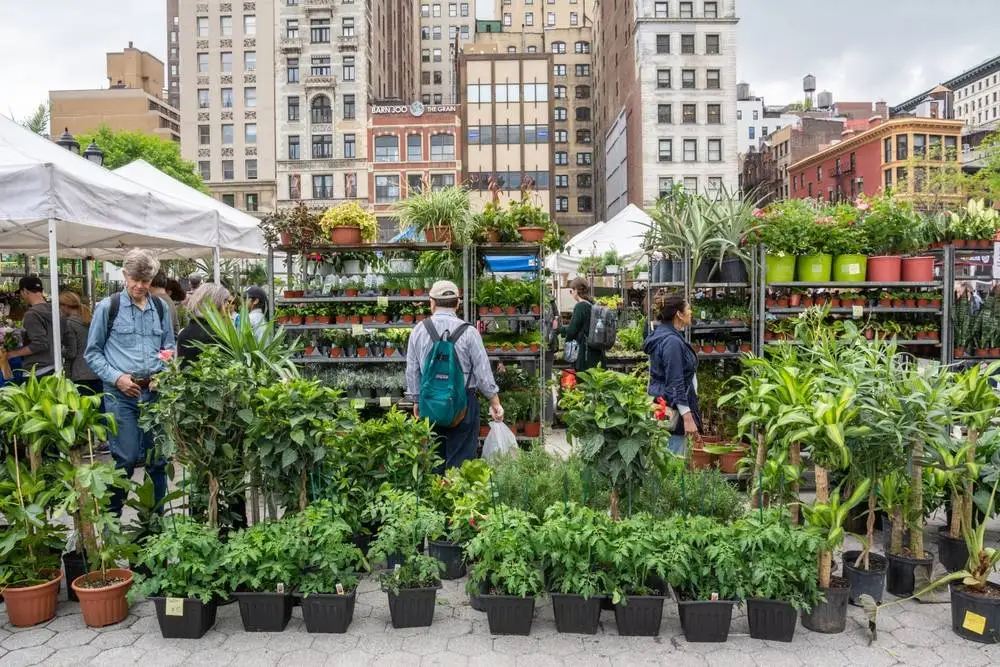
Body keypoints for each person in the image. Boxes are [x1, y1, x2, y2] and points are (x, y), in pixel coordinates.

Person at [85, 249, 175, 516]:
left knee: (157, 460)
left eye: (145, 281)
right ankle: (112, 521)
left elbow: (168, 347)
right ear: (125, 275)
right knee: (124, 458)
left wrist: (163, 372)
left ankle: (155, 522)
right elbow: (92, 352)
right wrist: (117, 378)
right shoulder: (108, 307)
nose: (139, 286)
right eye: (135, 279)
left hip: (154, 394)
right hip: (120, 394)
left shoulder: (160, 308)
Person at [405, 280, 504, 471]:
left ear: (431, 302)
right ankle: (458, 497)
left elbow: (412, 370)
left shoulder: (418, 331)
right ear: (458, 304)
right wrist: (494, 402)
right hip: (463, 403)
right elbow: (482, 371)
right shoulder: (469, 332)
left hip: (430, 401)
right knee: (461, 463)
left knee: (433, 458)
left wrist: (416, 400)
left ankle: (436, 497)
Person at [644, 293, 700, 455]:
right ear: (679, 314)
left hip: (665, 402)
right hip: (672, 408)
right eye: (688, 309)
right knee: (672, 460)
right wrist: (688, 418)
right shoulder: (672, 342)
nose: (691, 312)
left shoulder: (667, 335)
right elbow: (676, 381)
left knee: (665, 456)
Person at [5, 276, 62, 378]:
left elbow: (40, 344)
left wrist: (13, 354)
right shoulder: (56, 310)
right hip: (56, 366)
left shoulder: (32, 314)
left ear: (25, 291)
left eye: (21, 293)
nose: (21, 296)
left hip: (37, 371)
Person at [552, 277, 605, 372]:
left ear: (576, 290)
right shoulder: (592, 304)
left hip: (585, 352)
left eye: (571, 291)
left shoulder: (581, 306)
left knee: (583, 381)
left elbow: (572, 330)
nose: (571, 294)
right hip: (596, 350)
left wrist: (559, 329)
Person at [177, 284, 233, 364]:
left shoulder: (184, 333)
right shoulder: (216, 336)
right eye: (226, 302)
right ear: (216, 304)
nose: (228, 307)